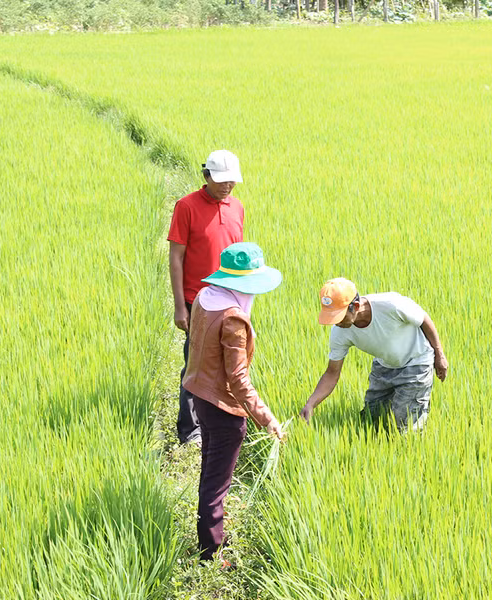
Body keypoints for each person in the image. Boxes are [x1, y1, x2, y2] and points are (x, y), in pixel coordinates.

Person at [182, 242, 284, 561]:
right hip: (223, 409)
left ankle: (209, 537)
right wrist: (267, 418)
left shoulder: (205, 297)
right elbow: (238, 379)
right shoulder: (233, 319)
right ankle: (211, 554)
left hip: (200, 395)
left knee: (209, 471)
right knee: (217, 483)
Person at [168, 149, 246, 445]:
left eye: (232, 180)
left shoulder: (237, 207)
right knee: (196, 365)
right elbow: (176, 258)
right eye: (222, 180)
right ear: (207, 176)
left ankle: (219, 419)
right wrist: (180, 307)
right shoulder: (186, 206)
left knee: (229, 363)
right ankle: (190, 430)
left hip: (231, 301)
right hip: (198, 301)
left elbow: (238, 259)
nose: (228, 186)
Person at [299, 278, 448, 432]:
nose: (336, 322)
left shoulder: (391, 305)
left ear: (355, 306)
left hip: (416, 363)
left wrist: (439, 355)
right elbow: (332, 373)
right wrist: (311, 404)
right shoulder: (340, 332)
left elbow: (423, 319)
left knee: (404, 426)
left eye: (340, 316)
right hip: (384, 366)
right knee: (372, 421)